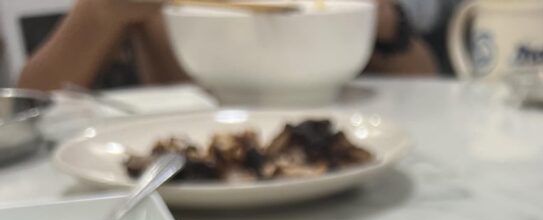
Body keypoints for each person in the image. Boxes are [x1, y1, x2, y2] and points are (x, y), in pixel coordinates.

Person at [18, 0, 438, 91]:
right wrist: (101, 12)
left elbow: (429, 85)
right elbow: (34, 95)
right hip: (187, 172)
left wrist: (386, 25)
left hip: (331, 157)